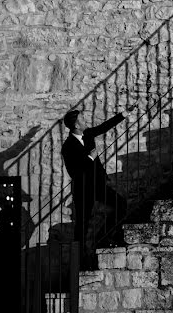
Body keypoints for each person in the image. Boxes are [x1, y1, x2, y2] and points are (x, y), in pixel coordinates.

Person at [61, 109, 128, 269]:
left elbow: (104, 127)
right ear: (76, 125)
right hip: (82, 188)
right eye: (82, 118)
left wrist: (124, 114)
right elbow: (74, 171)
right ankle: (80, 263)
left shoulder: (88, 134)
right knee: (82, 226)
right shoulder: (68, 146)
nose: (85, 120)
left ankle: (105, 236)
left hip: (98, 185)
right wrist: (90, 157)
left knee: (121, 204)